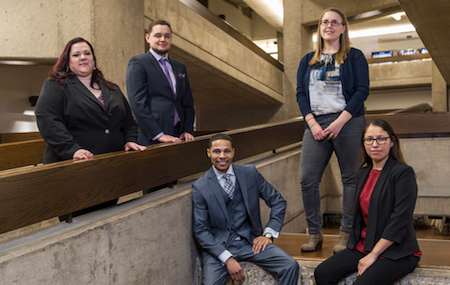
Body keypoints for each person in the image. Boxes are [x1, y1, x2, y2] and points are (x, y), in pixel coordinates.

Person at [35, 37, 147, 220]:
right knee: (77, 224)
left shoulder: (112, 88)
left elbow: (128, 122)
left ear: (94, 60)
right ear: (67, 62)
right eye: (76, 54)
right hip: (74, 171)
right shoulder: (56, 86)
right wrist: (73, 150)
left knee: (104, 219)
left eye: (87, 53)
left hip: (108, 170)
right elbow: (49, 121)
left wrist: (130, 140)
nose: (83, 57)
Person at [296, 7, 369, 253]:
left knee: (350, 179)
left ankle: (346, 235)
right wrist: (312, 123)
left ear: (343, 28)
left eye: (334, 22)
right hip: (315, 123)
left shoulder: (354, 56)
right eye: (324, 22)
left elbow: (361, 91)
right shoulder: (307, 60)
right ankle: (314, 234)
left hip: (348, 122)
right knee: (307, 179)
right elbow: (300, 93)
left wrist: (340, 122)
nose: (329, 25)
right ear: (320, 27)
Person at [314, 119, 421, 285]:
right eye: (369, 139)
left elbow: (399, 220)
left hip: (397, 251)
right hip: (364, 245)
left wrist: (373, 255)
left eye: (381, 138)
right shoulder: (362, 173)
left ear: (392, 141)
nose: (375, 144)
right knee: (322, 273)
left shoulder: (403, 173)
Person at [192, 134, 299, 285]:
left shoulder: (250, 173)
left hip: (250, 242)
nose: (222, 156)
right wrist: (227, 259)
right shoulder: (200, 187)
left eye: (227, 151)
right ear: (208, 153)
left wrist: (268, 234)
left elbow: (278, 201)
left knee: (290, 266)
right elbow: (200, 230)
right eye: (217, 151)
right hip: (218, 248)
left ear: (233, 152)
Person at [126, 19, 195, 146]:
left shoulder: (180, 67)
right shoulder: (138, 63)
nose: (163, 39)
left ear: (171, 39)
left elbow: (187, 102)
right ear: (148, 38)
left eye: (167, 36)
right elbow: (137, 103)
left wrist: (187, 129)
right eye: (158, 35)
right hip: (152, 136)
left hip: (179, 134)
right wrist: (158, 134)